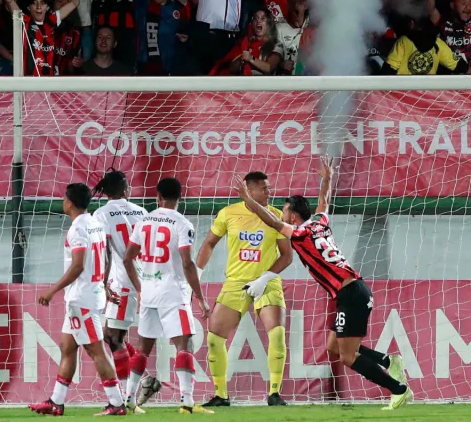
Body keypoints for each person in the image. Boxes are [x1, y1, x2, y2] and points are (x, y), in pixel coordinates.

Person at [235, 159, 413, 411]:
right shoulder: (320, 223)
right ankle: (388, 360)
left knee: (348, 356)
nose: (282, 214)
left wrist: (249, 201)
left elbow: (272, 222)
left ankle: (399, 389)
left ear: (293, 216)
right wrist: (327, 178)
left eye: (285, 210)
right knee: (333, 346)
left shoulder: (300, 233)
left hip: (350, 293)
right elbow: (324, 202)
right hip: (352, 291)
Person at [29, 183, 128, 416]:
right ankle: (56, 401)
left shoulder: (77, 229)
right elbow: (107, 255)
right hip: (87, 295)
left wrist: (52, 289)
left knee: (97, 352)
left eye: (64, 198)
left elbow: (78, 265)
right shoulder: (96, 223)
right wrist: (103, 282)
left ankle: (117, 403)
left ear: (70, 202)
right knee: (67, 347)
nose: (63, 201)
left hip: (82, 299)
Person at [195, 171, 293, 407]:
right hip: (236, 282)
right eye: (264, 188)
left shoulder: (276, 216)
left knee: (277, 334)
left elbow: (287, 256)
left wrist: (264, 278)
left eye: (269, 188)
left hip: (266, 282)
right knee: (214, 338)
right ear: (250, 191)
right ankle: (221, 395)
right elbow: (209, 243)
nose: (269, 192)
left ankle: (274, 393)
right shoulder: (229, 213)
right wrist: (195, 277)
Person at [124, 177, 213, 415]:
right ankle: (186, 401)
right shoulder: (183, 224)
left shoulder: (143, 221)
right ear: (179, 197)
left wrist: (140, 287)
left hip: (150, 291)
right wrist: (201, 298)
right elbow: (187, 262)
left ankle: (129, 400)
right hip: (173, 292)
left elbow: (127, 258)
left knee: (143, 348)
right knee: (184, 345)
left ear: (158, 196)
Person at [90, 170, 150, 407]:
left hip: (122, 281)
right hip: (145, 278)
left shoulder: (101, 214)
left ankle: (127, 397)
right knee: (111, 335)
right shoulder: (142, 212)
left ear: (105, 192)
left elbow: (104, 253)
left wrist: (102, 284)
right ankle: (144, 381)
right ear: (126, 190)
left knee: (114, 338)